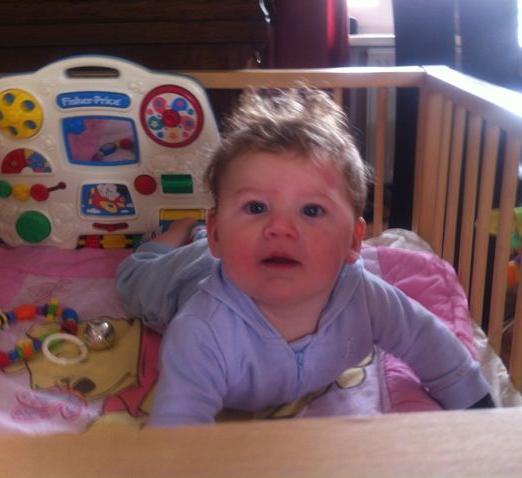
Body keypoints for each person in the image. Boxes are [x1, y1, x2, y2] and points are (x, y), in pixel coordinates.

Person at [116, 88, 493, 427]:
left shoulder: (365, 299)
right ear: (218, 232)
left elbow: (428, 342)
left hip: (230, 249)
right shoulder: (200, 331)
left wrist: (482, 416)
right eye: (256, 207)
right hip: (189, 272)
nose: (280, 228)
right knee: (132, 278)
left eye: (311, 211)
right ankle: (173, 235)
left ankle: (200, 230)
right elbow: (178, 434)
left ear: (354, 241)